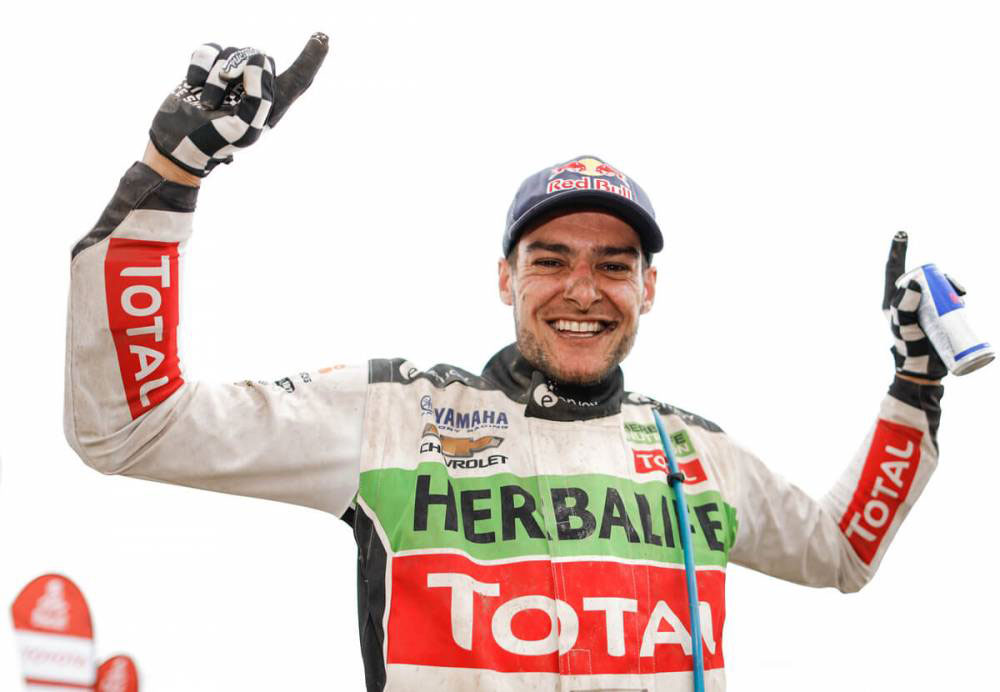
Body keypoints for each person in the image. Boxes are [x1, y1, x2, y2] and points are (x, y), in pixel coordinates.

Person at [64, 34, 951, 692]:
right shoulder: (396, 415)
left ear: (649, 288)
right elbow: (134, 429)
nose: (583, 289)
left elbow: (841, 551)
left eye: (614, 266)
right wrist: (168, 174)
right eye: (551, 260)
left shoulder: (697, 454)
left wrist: (915, 386)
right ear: (505, 279)